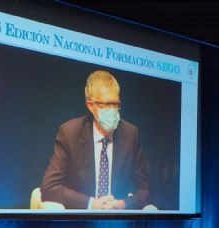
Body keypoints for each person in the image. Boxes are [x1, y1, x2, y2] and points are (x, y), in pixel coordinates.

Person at [40, 70, 150, 210]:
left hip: (117, 224)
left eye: (115, 104)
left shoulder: (130, 134)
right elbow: (50, 188)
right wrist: (92, 204)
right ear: (91, 105)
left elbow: (145, 191)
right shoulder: (70, 133)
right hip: (79, 222)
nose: (112, 110)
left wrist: (122, 204)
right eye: (106, 104)